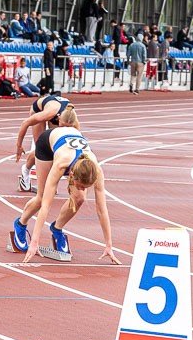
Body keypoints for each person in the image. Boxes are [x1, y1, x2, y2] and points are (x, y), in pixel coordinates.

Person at [10, 109, 120, 265]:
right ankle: (20, 224)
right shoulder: (61, 164)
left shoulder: (96, 170)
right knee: (41, 198)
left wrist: (109, 245)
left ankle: (57, 228)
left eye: (85, 187)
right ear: (72, 176)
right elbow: (46, 207)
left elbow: (102, 210)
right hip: (47, 145)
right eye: (80, 186)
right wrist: (34, 242)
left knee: (79, 198)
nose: (82, 189)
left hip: (71, 149)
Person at [15, 90, 72, 191]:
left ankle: (48, 182)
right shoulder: (49, 113)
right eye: (62, 126)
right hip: (39, 109)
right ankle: (25, 170)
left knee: (55, 149)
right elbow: (25, 123)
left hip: (57, 111)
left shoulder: (72, 117)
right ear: (59, 119)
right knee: (41, 148)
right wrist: (19, 146)